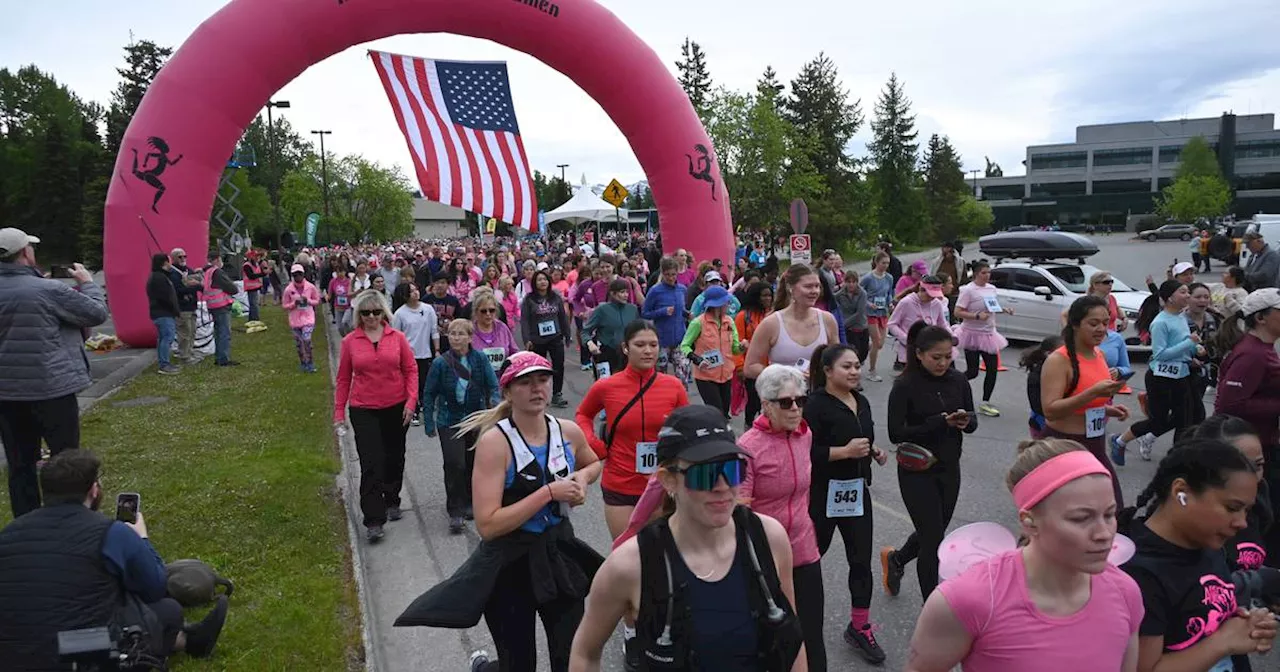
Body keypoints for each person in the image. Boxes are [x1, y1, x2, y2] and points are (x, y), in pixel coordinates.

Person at [399, 352, 603, 672]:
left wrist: (583, 480)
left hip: (557, 552)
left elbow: (593, 464)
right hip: (511, 562)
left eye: (543, 380)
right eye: (526, 382)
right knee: (518, 664)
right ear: (508, 391)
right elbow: (488, 525)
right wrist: (549, 492)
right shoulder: (495, 443)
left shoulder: (567, 431)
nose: (537, 389)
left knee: (572, 657)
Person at [567, 405, 806, 672]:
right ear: (668, 481)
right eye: (704, 474)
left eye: (733, 469)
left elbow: (792, 639)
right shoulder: (631, 566)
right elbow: (585, 653)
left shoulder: (768, 538)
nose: (723, 486)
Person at [904, 439, 1143, 672]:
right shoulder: (970, 599)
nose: (1104, 533)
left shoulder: (1125, 592)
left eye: (1110, 514)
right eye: (1081, 518)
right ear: (1029, 522)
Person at [0, 450, 230, 669]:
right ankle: (188, 642)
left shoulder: (10, 532)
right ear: (93, 490)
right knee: (167, 609)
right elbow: (155, 588)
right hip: (83, 656)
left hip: (12, 656)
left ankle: (186, 640)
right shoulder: (111, 532)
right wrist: (142, 539)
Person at [1119, 440, 1277, 671]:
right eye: (1232, 508)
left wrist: (1244, 625)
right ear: (1181, 492)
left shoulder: (1206, 544)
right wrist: (1223, 642)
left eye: (1246, 510)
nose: (1242, 523)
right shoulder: (1139, 572)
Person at [0, 227, 109, 517]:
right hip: (51, 389)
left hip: (7, 393)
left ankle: (26, 521)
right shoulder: (48, 291)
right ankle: (71, 519)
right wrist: (87, 283)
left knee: (20, 463)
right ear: (25, 253)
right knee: (67, 460)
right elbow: (96, 313)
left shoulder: (40, 289)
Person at [803, 343, 888, 664]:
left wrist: (873, 452)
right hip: (822, 494)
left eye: (857, 366)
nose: (854, 372)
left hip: (855, 494)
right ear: (827, 371)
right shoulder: (813, 406)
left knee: (860, 561)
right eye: (847, 367)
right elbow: (805, 453)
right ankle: (787, 618)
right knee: (809, 560)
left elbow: (861, 439)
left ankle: (860, 626)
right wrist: (842, 452)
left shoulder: (861, 401)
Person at [882, 323, 977, 600]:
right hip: (916, 472)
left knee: (933, 532)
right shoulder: (905, 385)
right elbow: (895, 432)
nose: (943, 362)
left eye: (948, 356)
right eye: (936, 357)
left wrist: (964, 420)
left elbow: (973, 423)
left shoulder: (958, 380)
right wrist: (938, 422)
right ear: (919, 354)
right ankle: (933, 608)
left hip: (949, 468)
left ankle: (897, 559)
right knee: (934, 540)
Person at [739, 364, 825, 671]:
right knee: (771, 640)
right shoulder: (748, 447)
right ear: (766, 404)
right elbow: (740, 511)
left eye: (800, 401)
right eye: (786, 402)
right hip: (765, 558)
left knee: (811, 634)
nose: (795, 409)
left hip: (804, 550)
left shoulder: (805, 435)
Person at [576, 320, 688, 542]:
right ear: (625, 348)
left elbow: (687, 426)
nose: (648, 351)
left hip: (662, 486)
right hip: (621, 484)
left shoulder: (673, 386)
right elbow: (583, 415)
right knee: (626, 556)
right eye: (640, 345)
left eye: (653, 345)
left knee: (662, 556)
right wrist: (593, 445)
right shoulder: (606, 386)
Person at [333, 291, 418, 543]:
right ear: (359, 315)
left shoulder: (398, 338)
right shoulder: (350, 342)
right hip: (364, 408)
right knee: (371, 462)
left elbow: (410, 369)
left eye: (376, 312)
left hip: (396, 405)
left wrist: (411, 402)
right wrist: (339, 412)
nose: (371, 317)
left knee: (394, 457)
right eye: (366, 313)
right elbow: (343, 378)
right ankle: (373, 518)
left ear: (384, 314)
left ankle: (392, 499)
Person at [1038, 296, 1127, 504]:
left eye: (1105, 323)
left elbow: (1083, 402)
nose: (1101, 329)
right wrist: (1093, 393)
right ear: (1075, 325)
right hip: (1062, 445)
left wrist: (1107, 410)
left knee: (1112, 508)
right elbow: (1050, 410)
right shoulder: (1059, 360)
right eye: (1093, 323)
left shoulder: (1098, 354)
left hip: (1094, 443)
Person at [1215, 288, 1280, 560]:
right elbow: (1228, 406)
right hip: (1252, 452)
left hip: (1265, 445)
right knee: (1264, 515)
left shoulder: (1263, 349)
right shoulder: (1251, 353)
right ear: (1262, 318)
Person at [422, 319, 500, 533]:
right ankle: (455, 510)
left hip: (475, 419)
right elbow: (429, 393)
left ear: (469, 337)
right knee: (455, 463)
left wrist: (494, 405)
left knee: (473, 463)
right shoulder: (440, 363)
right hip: (449, 420)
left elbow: (493, 385)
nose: (456, 337)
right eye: (452, 334)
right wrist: (429, 420)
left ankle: (469, 502)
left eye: (460, 334)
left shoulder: (480, 359)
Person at [1113, 281, 1203, 462]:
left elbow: (1182, 343)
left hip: (1181, 375)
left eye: (1187, 292)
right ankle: (1120, 440)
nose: (1187, 295)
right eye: (1183, 292)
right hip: (1160, 378)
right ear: (1170, 298)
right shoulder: (1160, 322)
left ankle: (1179, 460)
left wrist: (1195, 350)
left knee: (1184, 420)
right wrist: (1190, 343)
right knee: (1158, 421)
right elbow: (1160, 354)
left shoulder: (1181, 317)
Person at [1191, 415, 1271, 574]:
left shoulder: (1260, 494)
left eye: (1258, 465)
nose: (1253, 477)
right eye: (1240, 466)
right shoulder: (1193, 517)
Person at [744, 264, 839, 379]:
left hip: (819, 394)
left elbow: (837, 360)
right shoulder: (771, 323)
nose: (814, 291)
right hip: (782, 394)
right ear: (790, 288)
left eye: (817, 286)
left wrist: (821, 374)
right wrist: (786, 375)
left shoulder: (827, 320)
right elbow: (750, 367)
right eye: (808, 286)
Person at [954, 260, 1011, 417]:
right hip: (971, 334)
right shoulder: (968, 290)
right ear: (976, 274)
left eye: (989, 273)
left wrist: (1003, 310)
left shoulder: (992, 289)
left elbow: (991, 307)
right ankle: (952, 387)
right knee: (972, 372)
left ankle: (985, 403)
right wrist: (976, 316)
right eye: (984, 273)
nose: (987, 276)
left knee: (992, 370)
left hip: (989, 334)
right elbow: (957, 312)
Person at [681, 285, 741, 418]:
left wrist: (742, 346)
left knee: (725, 412)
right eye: (726, 302)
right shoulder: (698, 323)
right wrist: (697, 360)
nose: (728, 305)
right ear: (717, 305)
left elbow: (735, 350)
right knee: (716, 413)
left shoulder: (729, 322)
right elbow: (684, 346)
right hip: (706, 376)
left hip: (726, 375)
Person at [521, 269, 572, 407]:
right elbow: (524, 320)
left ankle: (557, 394)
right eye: (539, 280)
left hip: (555, 337)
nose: (542, 282)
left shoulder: (555, 297)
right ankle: (539, 394)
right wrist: (527, 339)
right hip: (537, 340)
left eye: (545, 279)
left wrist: (567, 335)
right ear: (534, 283)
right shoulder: (529, 299)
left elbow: (562, 316)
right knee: (539, 369)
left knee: (558, 366)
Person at [393, 281, 440, 423]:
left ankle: (426, 408)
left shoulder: (428, 309)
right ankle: (413, 409)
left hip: (425, 353)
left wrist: (436, 350)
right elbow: (395, 336)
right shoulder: (400, 314)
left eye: (416, 289)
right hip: (408, 354)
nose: (416, 293)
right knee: (412, 383)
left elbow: (434, 331)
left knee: (425, 384)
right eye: (412, 291)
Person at [641, 256, 690, 384]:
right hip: (662, 339)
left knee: (683, 374)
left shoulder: (682, 289)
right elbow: (645, 313)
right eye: (667, 274)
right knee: (660, 376)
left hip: (679, 338)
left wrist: (687, 314)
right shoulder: (655, 291)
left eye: (673, 274)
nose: (670, 278)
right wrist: (662, 312)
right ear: (662, 273)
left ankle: (682, 400)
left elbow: (680, 309)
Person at [886, 275, 952, 369]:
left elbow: (943, 324)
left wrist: (951, 336)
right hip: (909, 352)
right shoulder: (906, 302)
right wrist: (906, 339)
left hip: (930, 349)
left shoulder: (936, 304)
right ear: (921, 289)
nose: (932, 298)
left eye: (935, 295)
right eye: (930, 295)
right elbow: (892, 324)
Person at [583, 278, 640, 377]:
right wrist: (590, 343)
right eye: (622, 292)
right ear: (612, 294)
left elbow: (638, 331)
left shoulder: (633, 309)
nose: (626, 295)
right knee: (605, 385)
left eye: (627, 292)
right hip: (605, 352)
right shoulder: (602, 309)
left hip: (627, 353)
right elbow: (585, 331)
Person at [735, 282, 774, 427]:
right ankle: (749, 426)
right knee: (754, 401)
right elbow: (737, 343)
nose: (768, 299)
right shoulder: (743, 316)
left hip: (771, 366)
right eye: (764, 295)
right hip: (751, 367)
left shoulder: (773, 316)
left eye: (770, 295)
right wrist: (740, 367)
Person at [860, 252, 895, 383]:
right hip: (870, 313)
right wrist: (868, 303)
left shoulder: (889, 278)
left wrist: (890, 302)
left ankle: (863, 349)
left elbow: (889, 293)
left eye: (887, 263)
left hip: (882, 312)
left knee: (880, 344)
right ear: (876, 262)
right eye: (883, 263)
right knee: (876, 341)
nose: (885, 266)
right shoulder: (868, 277)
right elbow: (859, 292)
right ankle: (872, 371)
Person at [281, 263, 322, 373]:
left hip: (308, 318)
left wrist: (308, 301)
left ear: (303, 274)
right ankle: (303, 362)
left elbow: (317, 300)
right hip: (295, 320)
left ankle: (310, 362)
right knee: (299, 343)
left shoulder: (310, 287)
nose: (298, 277)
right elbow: (284, 305)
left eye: (299, 274)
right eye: (295, 275)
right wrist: (294, 303)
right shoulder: (288, 290)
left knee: (307, 340)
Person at [146, 252, 182, 375]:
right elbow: (165, 297)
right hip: (164, 313)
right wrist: (174, 309)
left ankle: (163, 362)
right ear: (165, 262)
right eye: (169, 261)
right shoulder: (159, 278)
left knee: (163, 338)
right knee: (167, 338)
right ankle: (164, 364)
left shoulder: (157, 276)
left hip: (160, 312)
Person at [167, 247, 203, 364]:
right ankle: (184, 356)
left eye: (184, 256)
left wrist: (197, 281)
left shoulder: (188, 270)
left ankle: (190, 352)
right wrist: (194, 286)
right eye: (179, 256)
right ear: (173, 259)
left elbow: (199, 281)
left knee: (192, 331)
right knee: (184, 332)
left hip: (191, 305)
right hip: (181, 307)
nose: (183, 259)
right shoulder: (173, 273)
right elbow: (178, 290)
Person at [472, 289, 520, 377]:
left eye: (492, 310)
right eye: (483, 311)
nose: (488, 314)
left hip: (502, 381)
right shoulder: (470, 331)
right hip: (478, 382)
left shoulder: (503, 328)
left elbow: (514, 353)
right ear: (476, 312)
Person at [835, 271, 869, 368]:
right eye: (848, 282)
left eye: (854, 282)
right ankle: (853, 373)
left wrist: (843, 324)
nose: (851, 284)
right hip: (849, 330)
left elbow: (859, 313)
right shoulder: (841, 293)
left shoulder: (862, 293)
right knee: (854, 353)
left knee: (863, 353)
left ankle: (858, 364)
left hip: (860, 326)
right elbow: (832, 300)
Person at [929, 241, 968, 320]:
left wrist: (958, 287)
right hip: (939, 291)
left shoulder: (959, 262)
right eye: (944, 249)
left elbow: (963, 277)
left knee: (952, 314)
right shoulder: (937, 262)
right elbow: (932, 273)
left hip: (954, 292)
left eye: (949, 250)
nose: (947, 253)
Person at [241, 250, 267, 321]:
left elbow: (257, 273)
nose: (257, 257)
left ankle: (251, 319)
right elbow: (251, 276)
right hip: (250, 287)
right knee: (254, 305)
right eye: (256, 256)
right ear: (251, 257)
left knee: (253, 304)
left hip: (255, 287)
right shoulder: (247, 265)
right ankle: (255, 319)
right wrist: (262, 274)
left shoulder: (255, 264)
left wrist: (264, 273)